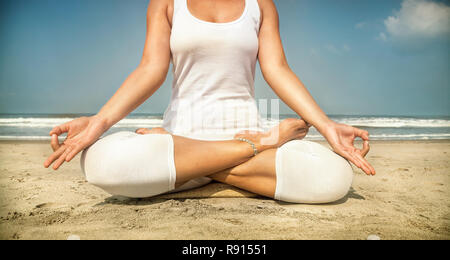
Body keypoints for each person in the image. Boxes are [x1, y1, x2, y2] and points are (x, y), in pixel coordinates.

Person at [43, 0, 375, 204]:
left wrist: (326, 126)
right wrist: (98, 122)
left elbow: (277, 69)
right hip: (183, 141)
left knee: (336, 177)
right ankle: (251, 152)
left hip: (220, 137)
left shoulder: (260, 5)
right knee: (98, 162)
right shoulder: (167, 2)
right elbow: (150, 68)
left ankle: (196, 173)